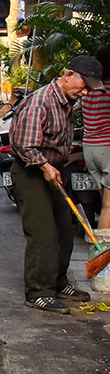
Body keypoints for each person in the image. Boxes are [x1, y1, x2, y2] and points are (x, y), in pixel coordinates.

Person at [9, 55, 104, 312]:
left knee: (64, 231)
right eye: (83, 85)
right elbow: (24, 144)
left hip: (54, 171)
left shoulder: (67, 102)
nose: (84, 92)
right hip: (32, 172)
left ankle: (60, 283)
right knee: (43, 235)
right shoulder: (40, 102)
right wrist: (44, 165)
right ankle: (38, 291)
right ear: (68, 74)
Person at [80, 45, 110, 234]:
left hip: (89, 147)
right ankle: (104, 255)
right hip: (107, 146)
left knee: (105, 204)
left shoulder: (89, 90)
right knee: (109, 206)